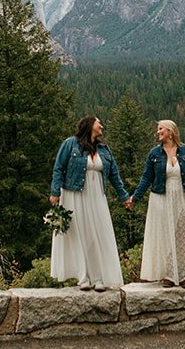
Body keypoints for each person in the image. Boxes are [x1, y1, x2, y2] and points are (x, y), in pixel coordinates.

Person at [49, 115, 130, 291]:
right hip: (74, 194)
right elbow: (59, 168)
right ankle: (83, 277)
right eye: (98, 122)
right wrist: (55, 192)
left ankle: (98, 277)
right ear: (89, 125)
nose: (101, 125)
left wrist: (124, 197)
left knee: (97, 234)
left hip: (96, 197)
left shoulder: (104, 149)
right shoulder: (70, 144)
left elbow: (114, 175)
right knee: (79, 234)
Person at [129, 119, 185, 288]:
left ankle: (183, 275)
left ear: (170, 131)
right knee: (165, 236)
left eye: (161, 129)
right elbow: (146, 178)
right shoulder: (154, 153)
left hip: (184, 198)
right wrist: (135, 197)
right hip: (161, 199)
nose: (158, 132)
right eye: (158, 129)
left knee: (182, 235)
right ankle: (168, 275)